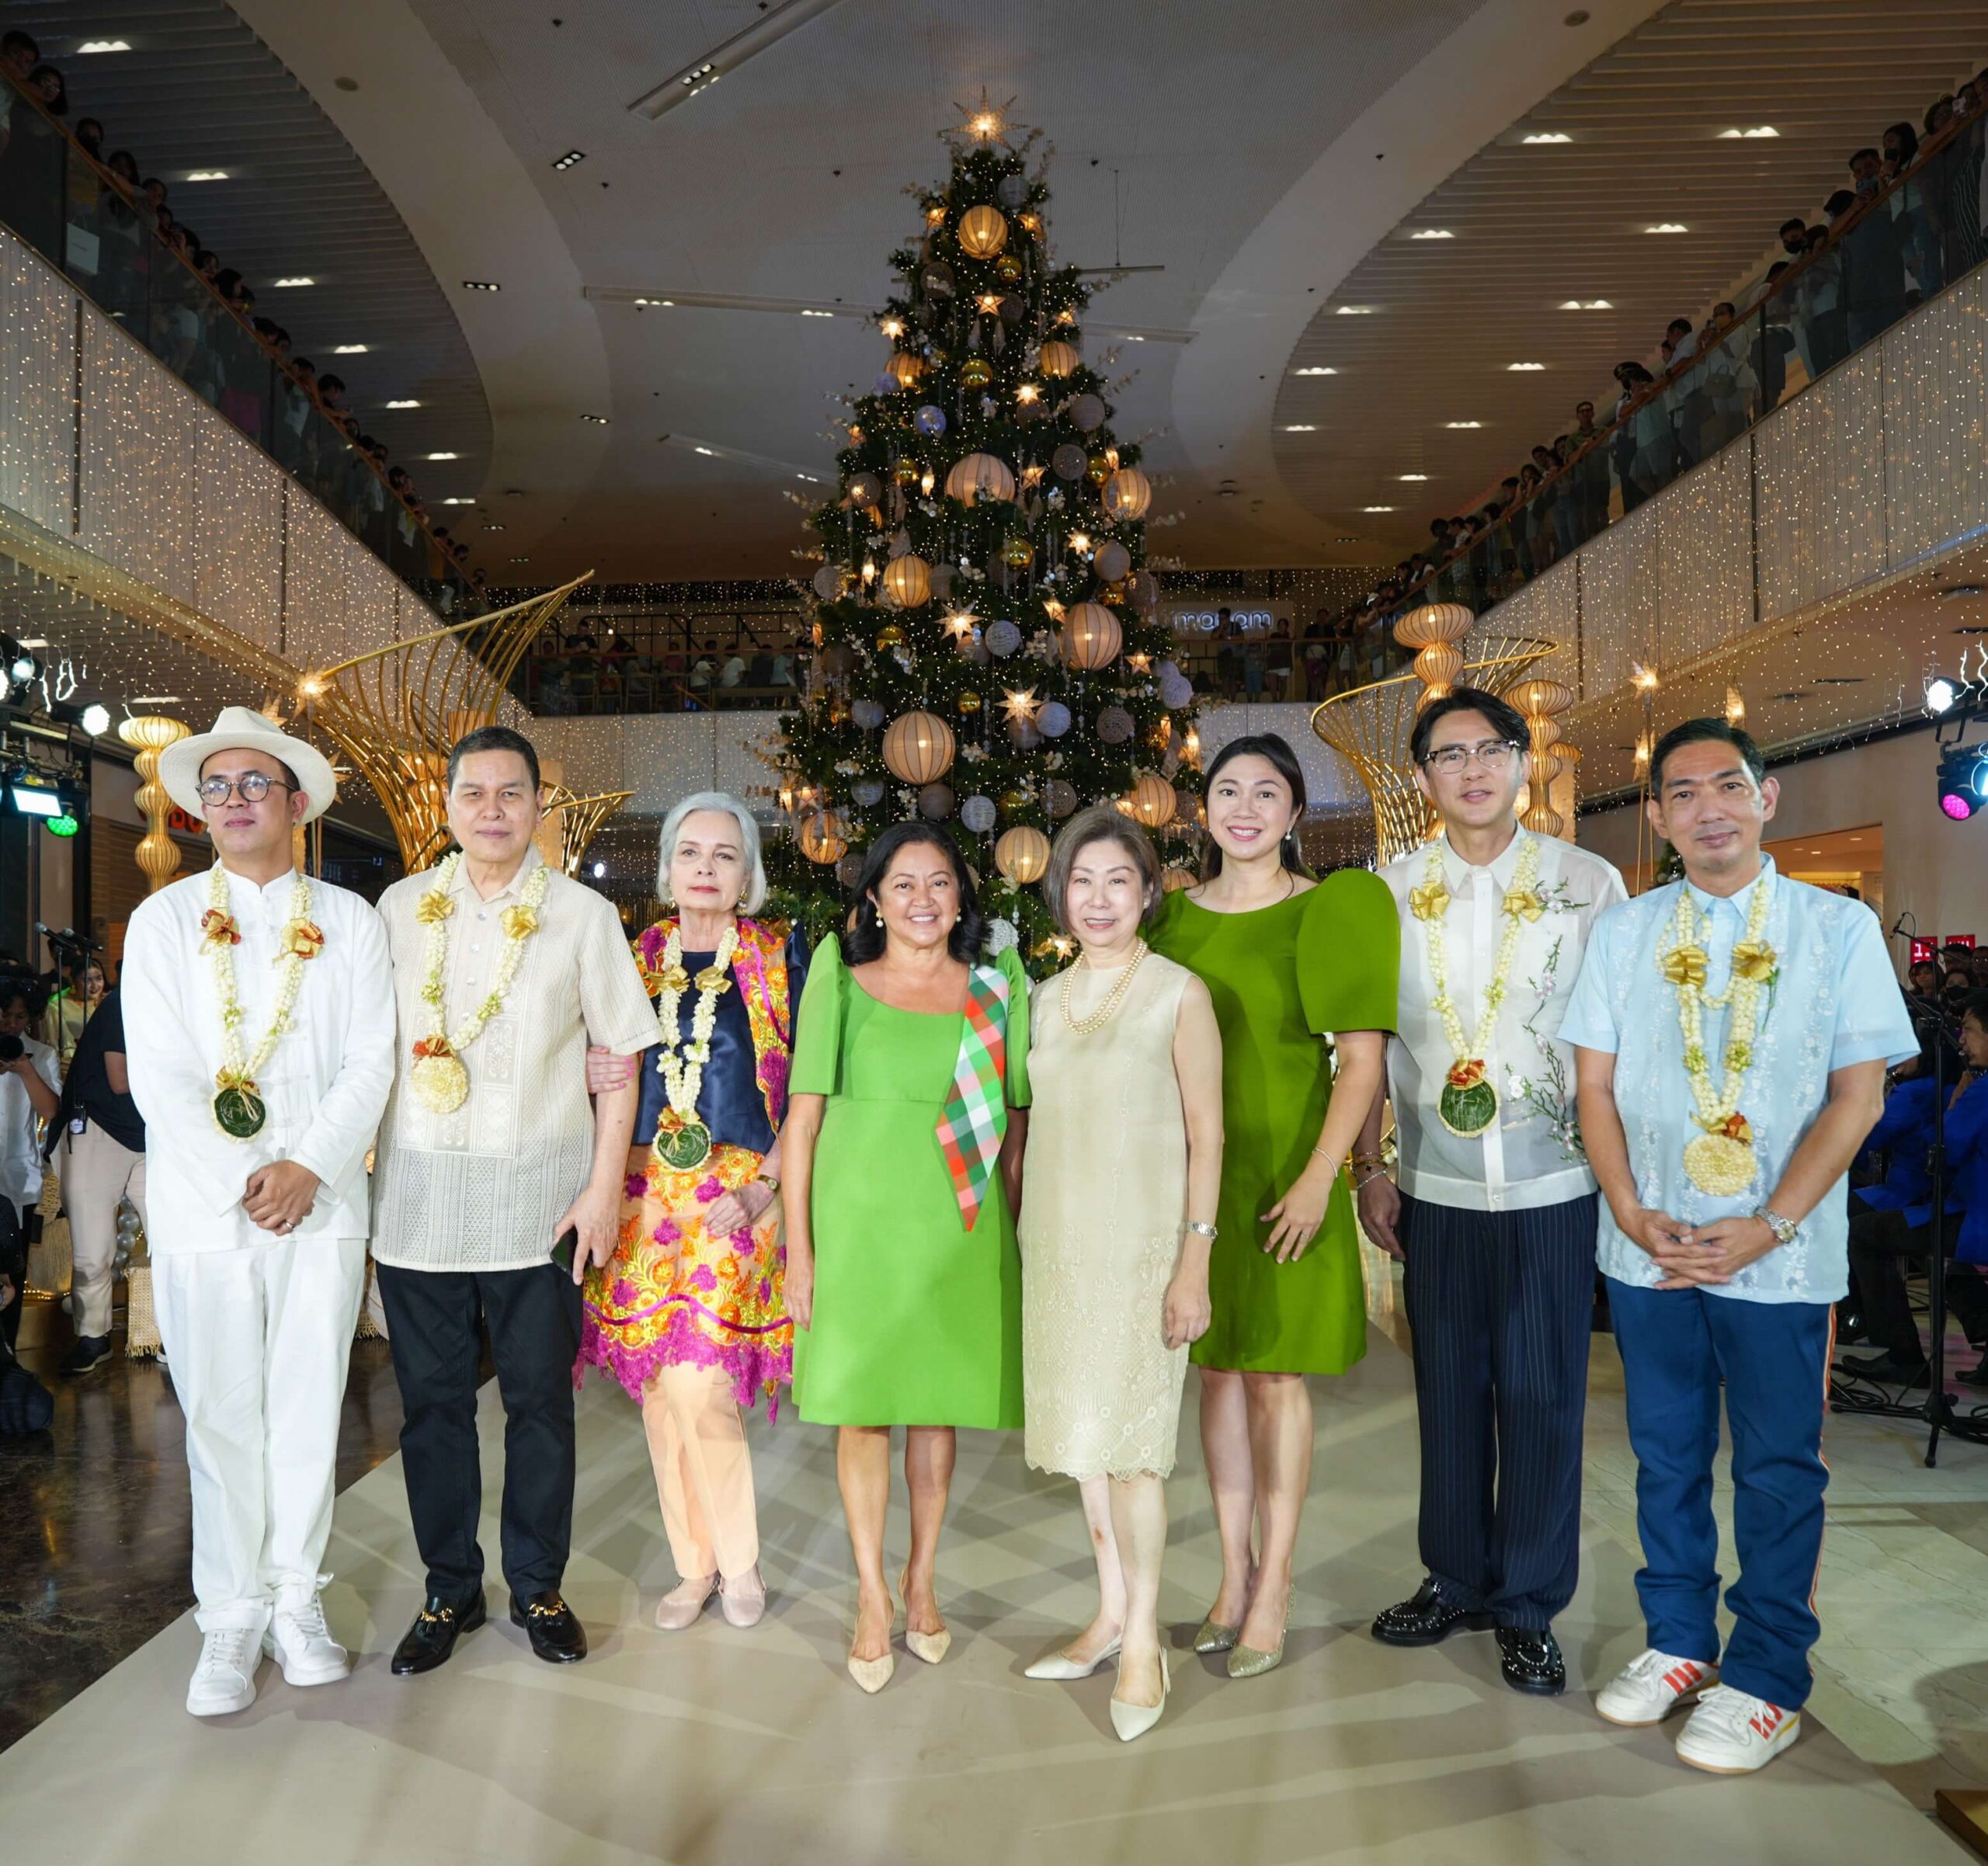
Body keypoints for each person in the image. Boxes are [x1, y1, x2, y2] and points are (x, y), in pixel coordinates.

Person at [1562, 718, 1915, 1774]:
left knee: (1774, 1468)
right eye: (1683, 791)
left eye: (1729, 784)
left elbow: (1858, 1095)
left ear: (1768, 800)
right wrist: (1626, 1207)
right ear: (1660, 817)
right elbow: (1592, 1082)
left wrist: (1773, 1220)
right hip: (1652, 1249)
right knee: (1664, 1456)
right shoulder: (1625, 933)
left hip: (1780, 1258)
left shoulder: (1833, 928)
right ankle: (1679, 1640)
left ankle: (1768, 1675)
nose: (1707, 805)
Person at [121, 706, 396, 1718]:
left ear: (295, 802)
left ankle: (296, 1602)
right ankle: (229, 1617)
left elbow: (373, 1057)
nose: (235, 801)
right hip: (207, 1208)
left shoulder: (352, 919)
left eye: (255, 784)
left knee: (307, 1405)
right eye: (219, 787)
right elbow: (162, 1074)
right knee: (223, 1415)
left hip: (321, 1206)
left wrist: (310, 1166)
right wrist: (255, 1172)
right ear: (202, 808)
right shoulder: (163, 922)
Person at [1357, 690, 1627, 1696]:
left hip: (1556, 1181)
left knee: (1546, 1392)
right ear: (1423, 777)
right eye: (1448, 753)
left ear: (1522, 760)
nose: (1471, 768)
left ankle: (1528, 1604)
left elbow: (1617, 1041)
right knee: (1450, 1391)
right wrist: (1372, 1165)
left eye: (1490, 749)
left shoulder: (1586, 884)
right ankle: (1455, 1575)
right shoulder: (1387, 892)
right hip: (1434, 1184)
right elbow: (1366, 1046)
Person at [370, 726, 654, 1677]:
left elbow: (620, 1061)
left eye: (511, 794)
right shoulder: (399, 910)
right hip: (418, 1201)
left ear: (540, 807)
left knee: (540, 1406)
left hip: (542, 1201)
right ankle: (448, 1587)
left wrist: (603, 1189)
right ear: (448, 806)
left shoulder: (581, 916)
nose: (492, 811)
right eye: (474, 794)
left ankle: (538, 1584)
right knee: (432, 1410)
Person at [1147, 734, 1396, 1677]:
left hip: (1289, 1174)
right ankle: (1231, 1572)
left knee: (1276, 1379)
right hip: (1197, 1186)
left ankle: (1277, 1584)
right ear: (1200, 809)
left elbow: (1361, 1062)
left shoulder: (1330, 908)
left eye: (1266, 792)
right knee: (1216, 1373)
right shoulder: (1169, 922)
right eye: (1226, 790)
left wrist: (1320, 1176)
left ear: (1294, 813)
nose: (1244, 807)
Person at [780, 822, 1030, 1694]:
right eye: (903, 885)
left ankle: (923, 1580)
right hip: (858, 1229)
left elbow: (1019, 1117)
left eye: (939, 884)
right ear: (873, 901)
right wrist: (797, 1248)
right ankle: (871, 1596)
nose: (922, 900)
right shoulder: (837, 981)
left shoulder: (999, 990)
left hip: (957, 1227)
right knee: (863, 1411)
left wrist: (1020, 1232)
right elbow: (802, 1123)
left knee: (935, 1409)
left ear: (963, 896)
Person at [577, 794, 808, 1633]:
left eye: (724, 855)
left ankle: (738, 1565)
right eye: (690, 853)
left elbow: (812, 1086)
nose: (705, 868)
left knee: (702, 1382)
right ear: (668, 866)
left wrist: (769, 1186)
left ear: (747, 874)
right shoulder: (633, 957)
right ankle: (693, 1566)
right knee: (657, 1392)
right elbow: (597, 1060)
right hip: (642, 1193)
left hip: (736, 1197)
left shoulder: (782, 960)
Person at [1017, 808, 1222, 1742]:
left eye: (1118, 881)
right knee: (1087, 1445)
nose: (1099, 900)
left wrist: (1194, 1261)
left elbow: (1207, 1137)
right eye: (1083, 881)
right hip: (1060, 1250)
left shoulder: (1178, 993)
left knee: (1136, 1449)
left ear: (1148, 892)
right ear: (1061, 892)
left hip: (1145, 1253)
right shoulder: (1042, 1000)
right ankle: (1107, 1612)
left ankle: (1143, 1639)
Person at [50, 963, 146, 1375]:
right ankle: (93, 1337)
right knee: (93, 1247)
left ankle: (166, 1334)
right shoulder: (122, 1005)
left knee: (175, 1238)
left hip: (152, 1133)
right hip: (98, 1128)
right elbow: (119, 1079)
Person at [0, 974, 61, 1350]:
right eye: (4, 1015)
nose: (11, 1024)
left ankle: (8, 1356)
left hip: (18, 1177)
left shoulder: (41, 1054)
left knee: (12, 1270)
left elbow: (51, 1110)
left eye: (20, 1018)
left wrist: (25, 1070)